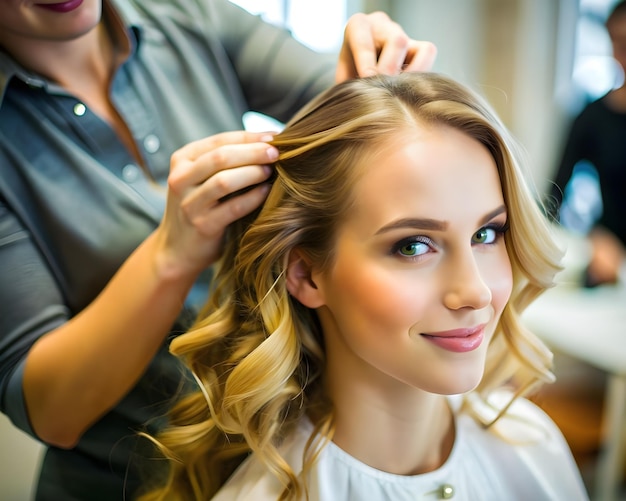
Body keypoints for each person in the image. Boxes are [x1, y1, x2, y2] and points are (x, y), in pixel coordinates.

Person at [0, 1, 437, 499]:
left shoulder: (191, 15)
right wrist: (171, 253)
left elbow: (370, 115)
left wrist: (377, 78)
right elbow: (49, 410)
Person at [140, 72, 589, 500]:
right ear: (305, 274)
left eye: (486, 234)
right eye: (413, 246)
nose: (475, 292)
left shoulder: (533, 446)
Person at [552, 0, 626, 287]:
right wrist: (590, 239)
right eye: (618, 43)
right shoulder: (592, 117)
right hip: (611, 261)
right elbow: (553, 196)